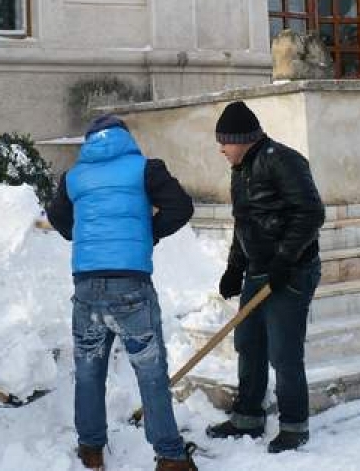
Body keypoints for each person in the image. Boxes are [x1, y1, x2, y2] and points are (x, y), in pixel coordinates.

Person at [46, 114, 198, 471]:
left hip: (86, 285)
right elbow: (182, 207)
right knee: (150, 371)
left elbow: (57, 218)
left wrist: (84, 235)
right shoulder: (145, 169)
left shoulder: (74, 177)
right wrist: (150, 232)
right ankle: (170, 456)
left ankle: (91, 448)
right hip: (130, 285)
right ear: (125, 138)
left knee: (87, 370)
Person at [205, 101, 325, 454]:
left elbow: (311, 212)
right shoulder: (240, 168)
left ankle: (293, 426)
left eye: (224, 142)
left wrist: (286, 260)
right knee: (248, 342)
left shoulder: (283, 160)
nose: (221, 149)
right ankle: (247, 417)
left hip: (291, 272)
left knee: (283, 351)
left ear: (240, 139)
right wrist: (234, 268)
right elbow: (246, 223)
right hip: (259, 270)